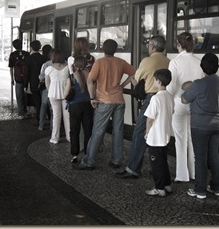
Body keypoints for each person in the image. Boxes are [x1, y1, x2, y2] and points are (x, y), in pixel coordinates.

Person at [75, 39, 136, 170]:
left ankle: (89, 161)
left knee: (97, 131)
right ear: (116, 50)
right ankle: (116, 160)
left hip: (104, 100)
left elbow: (90, 81)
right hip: (119, 100)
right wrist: (122, 86)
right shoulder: (121, 62)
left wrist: (92, 98)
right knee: (118, 131)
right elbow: (133, 73)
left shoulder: (100, 62)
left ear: (103, 49)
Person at [116, 35, 170, 179]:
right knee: (160, 133)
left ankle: (133, 168)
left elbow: (136, 79)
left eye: (148, 45)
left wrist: (134, 82)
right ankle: (158, 168)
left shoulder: (147, 60)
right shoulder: (168, 60)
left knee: (140, 133)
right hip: (164, 97)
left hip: (151, 99)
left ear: (152, 47)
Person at [181, 52, 219, 200]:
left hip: (200, 126)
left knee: (200, 157)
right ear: (217, 67)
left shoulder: (198, 84)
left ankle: (200, 190)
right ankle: (217, 187)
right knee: (215, 156)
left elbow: (184, 100)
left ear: (202, 67)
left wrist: (188, 88)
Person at [166, 32, 204, 182]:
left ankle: (182, 175)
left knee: (180, 140)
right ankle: (194, 172)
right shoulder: (199, 61)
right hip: (195, 104)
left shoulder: (174, 62)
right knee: (192, 139)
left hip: (178, 103)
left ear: (179, 45)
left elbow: (170, 86)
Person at [144, 69, 174, 197]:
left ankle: (159, 187)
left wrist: (147, 133)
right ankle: (167, 185)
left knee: (156, 163)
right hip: (165, 134)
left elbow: (150, 119)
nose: (154, 81)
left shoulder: (156, 98)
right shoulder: (169, 96)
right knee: (163, 161)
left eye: (155, 79)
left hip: (155, 137)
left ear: (159, 81)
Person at [67, 55, 94, 163]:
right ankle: (88, 153)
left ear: (75, 65)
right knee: (88, 130)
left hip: (74, 106)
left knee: (74, 131)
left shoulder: (72, 77)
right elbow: (93, 90)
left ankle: (74, 154)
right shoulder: (91, 76)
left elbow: (65, 93)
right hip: (87, 105)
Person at [45, 48, 71, 144]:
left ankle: (55, 138)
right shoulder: (67, 68)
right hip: (65, 94)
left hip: (53, 94)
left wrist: (51, 91)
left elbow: (47, 84)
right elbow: (69, 81)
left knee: (56, 116)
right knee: (67, 116)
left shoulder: (49, 69)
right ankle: (69, 136)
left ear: (53, 57)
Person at [26, 40, 46, 125]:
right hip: (44, 82)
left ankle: (39, 120)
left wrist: (25, 84)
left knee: (37, 102)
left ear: (31, 47)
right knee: (44, 102)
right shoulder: (44, 58)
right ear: (40, 47)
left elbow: (26, 72)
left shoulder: (29, 58)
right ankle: (44, 118)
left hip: (33, 83)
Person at [8, 39, 30, 118]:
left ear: (14, 46)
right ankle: (27, 111)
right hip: (27, 78)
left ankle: (21, 113)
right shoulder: (27, 54)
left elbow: (11, 68)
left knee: (19, 96)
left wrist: (12, 79)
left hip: (18, 79)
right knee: (27, 95)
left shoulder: (12, 55)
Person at [38, 45, 53, 130]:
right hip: (57, 90)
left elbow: (41, 77)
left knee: (43, 106)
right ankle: (52, 127)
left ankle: (41, 125)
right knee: (54, 110)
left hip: (46, 88)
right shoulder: (64, 64)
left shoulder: (46, 64)